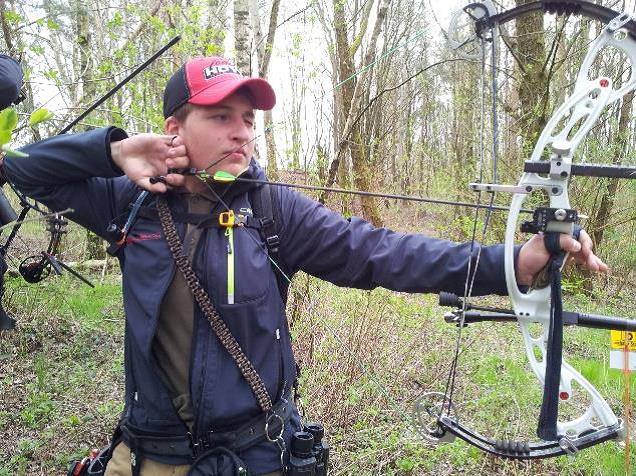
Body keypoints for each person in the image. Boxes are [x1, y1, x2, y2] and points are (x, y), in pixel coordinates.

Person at [2, 56, 607, 475]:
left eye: (249, 120)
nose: (242, 134)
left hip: (254, 455)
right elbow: (18, 166)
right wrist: (110, 149)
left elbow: (380, 253)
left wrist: (514, 263)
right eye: (221, 117)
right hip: (153, 455)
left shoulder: (272, 210)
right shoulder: (127, 203)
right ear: (172, 129)